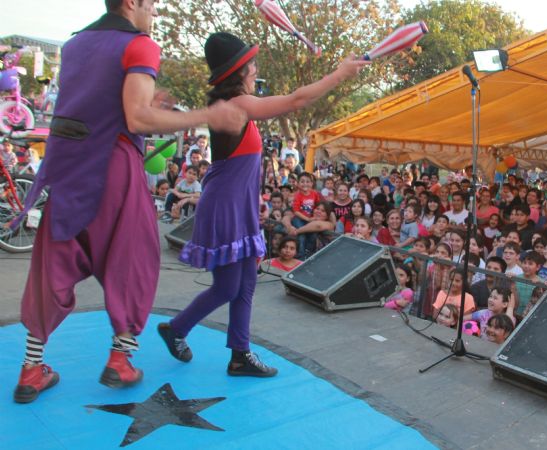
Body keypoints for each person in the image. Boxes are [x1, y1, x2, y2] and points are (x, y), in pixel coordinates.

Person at [11, 0, 246, 404]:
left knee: (52, 264)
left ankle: (32, 368)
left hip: (67, 166)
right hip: (112, 166)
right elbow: (137, 118)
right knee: (133, 258)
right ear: (132, 3)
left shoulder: (75, 44)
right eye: (152, 5)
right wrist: (207, 115)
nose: (153, 14)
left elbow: (97, 107)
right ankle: (120, 360)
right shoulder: (139, 45)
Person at [158, 32, 368, 377]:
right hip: (225, 208)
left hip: (238, 205)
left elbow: (242, 165)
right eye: (250, 64)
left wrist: (254, 199)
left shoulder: (239, 106)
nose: (255, 69)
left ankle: (238, 353)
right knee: (228, 286)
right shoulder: (239, 106)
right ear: (237, 72)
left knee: (246, 282)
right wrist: (340, 73)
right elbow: (297, 100)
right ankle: (178, 329)